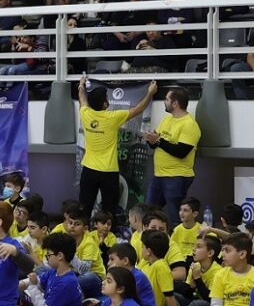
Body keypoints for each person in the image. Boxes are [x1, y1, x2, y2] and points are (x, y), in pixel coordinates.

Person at [75, 77, 155, 221]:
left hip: (88, 170)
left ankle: (83, 237)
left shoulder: (85, 114)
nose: (108, 98)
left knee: (84, 208)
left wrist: (81, 86)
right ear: (105, 103)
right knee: (109, 211)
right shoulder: (112, 117)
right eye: (106, 96)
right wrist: (150, 93)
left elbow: (82, 99)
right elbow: (139, 109)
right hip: (108, 172)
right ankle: (108, 239)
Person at [141, 86, 198, 212]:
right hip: (159, 175)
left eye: (167, 99)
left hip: (176, 177)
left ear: (175, 103)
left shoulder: (189, 125)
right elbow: (157, 144)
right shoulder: (167, 119)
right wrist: (151, 139)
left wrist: (158, 140)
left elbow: (181, 152)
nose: (164, 102)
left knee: (176, 216)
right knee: (149, 213)